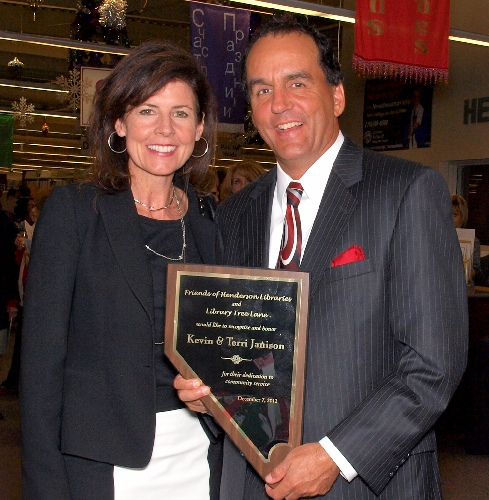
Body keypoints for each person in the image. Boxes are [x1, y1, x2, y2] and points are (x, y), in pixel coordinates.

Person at [176, 16, 468, 500]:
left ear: (336, 96)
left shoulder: (405, 192)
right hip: (255, 481)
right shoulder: (233, 216)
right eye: (262, 90)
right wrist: (213, 396)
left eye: (297, 83)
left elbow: (434, 362)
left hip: (366, 484)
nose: (279, 104)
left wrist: (336, 455)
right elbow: (244, 355)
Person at [20, 40, 221, 500]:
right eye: (147, 110)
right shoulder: (74, 213)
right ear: (119, 122)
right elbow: (41, 373)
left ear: (200, 127)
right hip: (100, 464)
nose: (165, 129)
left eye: (181, 113)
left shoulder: (211, 221)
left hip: (198, 455)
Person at [451, 194, 481, 282]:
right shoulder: (438, 238)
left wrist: (468, 267)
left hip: (463, 285)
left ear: (462, 216)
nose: (450, 219)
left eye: (454, 215)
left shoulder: (473, 240)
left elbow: (477, 272)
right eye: (448, 214)